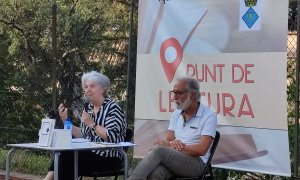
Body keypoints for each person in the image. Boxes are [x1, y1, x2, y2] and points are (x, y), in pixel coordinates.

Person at [128, 76, 217, 180]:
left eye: (179, 93)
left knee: (158, 151)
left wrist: (173, 146)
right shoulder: (177, 113)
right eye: (174, 92)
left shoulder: (209, 116)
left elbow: (201, 150)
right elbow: (169, 139)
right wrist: (169, 144)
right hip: (177, 159)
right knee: (155, 174)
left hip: (197, 163)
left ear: (192, 94)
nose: (174, 98)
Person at [44, 71, 127, 180]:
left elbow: (112, 136)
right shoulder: (88, 107)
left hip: (109, 157)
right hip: (90, 153)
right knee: (63, 152)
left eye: (92, 86)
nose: (88, 90)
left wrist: (92, 124)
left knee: (68, 155)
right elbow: (83, 134)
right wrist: (65, 120)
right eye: (86, 87)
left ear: (103, 89)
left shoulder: (113, 108)